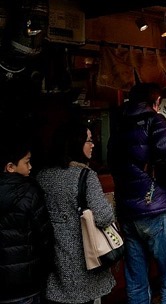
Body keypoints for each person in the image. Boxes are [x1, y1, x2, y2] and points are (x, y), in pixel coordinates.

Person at [107, 82, 166, 304]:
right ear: (155, 102)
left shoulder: (118, 125)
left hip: (128, 210)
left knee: (136, 282)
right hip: (155, 206)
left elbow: (112, 163)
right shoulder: (155, 121)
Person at [36, 119, 116, 303]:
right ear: (75, 143)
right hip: (83, 259)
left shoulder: (42, 176)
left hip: (53, 258)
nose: (93, 144)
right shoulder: (85, 176)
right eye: (88, 140)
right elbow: (104, 217)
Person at [0, 137, 54, 304]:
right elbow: (45, 237)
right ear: (10, 167)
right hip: (26, 283)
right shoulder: (30, 192)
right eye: (27, 162)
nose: (31, 167)